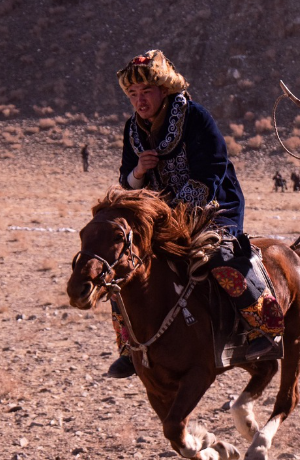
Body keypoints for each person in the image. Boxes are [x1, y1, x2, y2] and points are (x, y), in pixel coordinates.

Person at [108, 49, 284, 378]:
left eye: (146, 91)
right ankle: (130, 346)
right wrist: (139, 172)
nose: (139, 100)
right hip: (159, 217)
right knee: (125, 263)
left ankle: (263, 326)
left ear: (164, 89)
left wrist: (177, 213)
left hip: (213, 205)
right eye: (132, 94)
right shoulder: (132, 129)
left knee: (219, 256)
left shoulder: (195, 117)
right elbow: (126, 180)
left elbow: (212, 170)